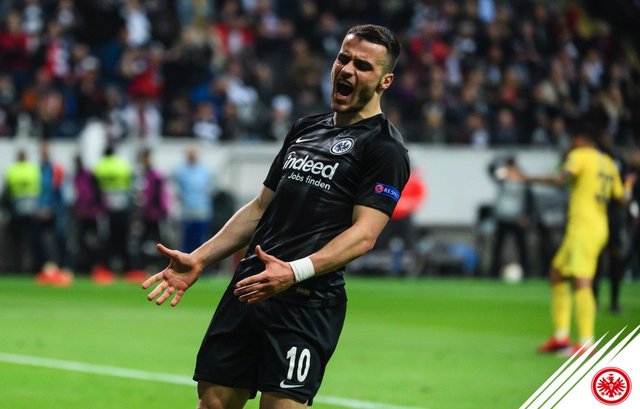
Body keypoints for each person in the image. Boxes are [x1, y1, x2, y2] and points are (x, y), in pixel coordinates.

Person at [143, 24, 409, 408]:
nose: (348, 70)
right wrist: (199, 258)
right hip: (248, 290)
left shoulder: (385, 149)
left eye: (363, 66)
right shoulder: (305, 128)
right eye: (343, 58)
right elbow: (259, 208)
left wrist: (294, 271)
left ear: (385, 81)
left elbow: (364, 235)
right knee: (212, 403)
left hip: (305, 302)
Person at [527, 120, 629, 355]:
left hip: (584, 227)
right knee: (556, 274)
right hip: (595, 226)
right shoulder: (608, 162)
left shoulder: (580, 155)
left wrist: (525, 178)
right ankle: (561, 337)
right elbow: (622, 198)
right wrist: (629, 186)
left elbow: (560, 179)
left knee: (581, 281)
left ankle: (586, 342)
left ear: (580, 139)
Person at [488, 156, 533, 279]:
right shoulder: (502, 178)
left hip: (517, 218)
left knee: (521, 246)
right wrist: (501, 169)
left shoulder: (522, 179)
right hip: (502, 217)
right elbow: (490, 171)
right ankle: (493, 272)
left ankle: (526, 272)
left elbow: (528, 199)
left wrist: (526, 215)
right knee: (498, 246)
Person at [4, 149, 40, 274]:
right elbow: (38, 189)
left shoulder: (12, 170)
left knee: (17, 241)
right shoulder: (33, 170)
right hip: (31, 210)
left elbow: (7, 190)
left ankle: (19, 266)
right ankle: (30, 266)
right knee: (30, 240)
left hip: (17, 210)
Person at [173, 147, 214, 253]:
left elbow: (210, 189)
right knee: (186, 241)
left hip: (202, 211)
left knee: (200, 241)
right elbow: (176, 190)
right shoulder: (180, 171)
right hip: (187, 212)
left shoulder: (204, 170)